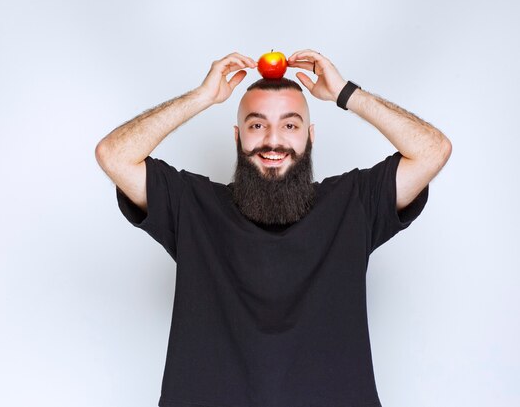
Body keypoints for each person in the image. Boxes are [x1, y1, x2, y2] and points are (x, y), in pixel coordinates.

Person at [95, 50, 451, 407]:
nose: (273, 140)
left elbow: (433, 150)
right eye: (257, 124)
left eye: (290, 125)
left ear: (310, 136)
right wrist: (203, 97)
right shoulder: (192, 205)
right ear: (238, 136)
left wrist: (344, 92)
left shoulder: (353, 203)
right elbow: (113, 154)